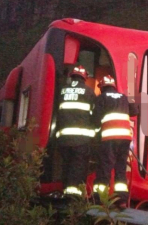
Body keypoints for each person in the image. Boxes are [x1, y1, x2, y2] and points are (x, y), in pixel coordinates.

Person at [92, 75, 138, 208]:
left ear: (102, 87)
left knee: (105, 167)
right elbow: (134, 111)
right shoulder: (123, 97)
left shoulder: (101, 98)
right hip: (124, 138)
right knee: (120, 168)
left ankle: (100, 199)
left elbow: (96, 118)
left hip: (110, 137)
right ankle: (121, 200)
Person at [56, 65, 96, 197]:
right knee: (78, 166)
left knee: (66, 165)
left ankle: (66, 191)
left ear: (72, 76)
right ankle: (73, 197)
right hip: (81, 139)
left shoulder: (62, 91)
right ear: (84, 78)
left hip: (63, 139)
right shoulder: (89, 92)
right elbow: (94, 114)